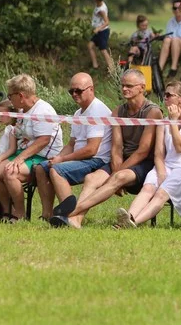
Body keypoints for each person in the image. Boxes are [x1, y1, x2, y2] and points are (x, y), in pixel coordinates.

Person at [50, 69, 162, 228]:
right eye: (123, 85)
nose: (124, 89)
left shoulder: (153, 112)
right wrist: (116, 171)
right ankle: (76, 221)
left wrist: (115, 175)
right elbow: (116, 148)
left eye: (129, 86)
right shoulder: (117, 111)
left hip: (144, 163)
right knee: (91, 179)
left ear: (142, 88)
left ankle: (70, 212)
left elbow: (142, 151)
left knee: (119, 178)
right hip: (122, 161)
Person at [117, 81, 181, 227]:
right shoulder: (163, 121)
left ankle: (132, 222)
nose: (165, 98)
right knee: (148, 188)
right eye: (164, 95)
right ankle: (129, 217)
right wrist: (161, 171)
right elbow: (159, 153)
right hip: (167, 165)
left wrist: (173, 122)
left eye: (169, 95)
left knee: (161, 193)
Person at [33, 73, 112, 220]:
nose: (74, 94)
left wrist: (61, 160)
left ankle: (68, 215)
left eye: (78, 91)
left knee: (57, 170)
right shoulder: (78, 113)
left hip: (97, 160)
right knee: (41, 168)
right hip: (82, 158)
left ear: (91, 89)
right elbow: (71, 144)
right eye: (71, 91)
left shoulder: (97, 111)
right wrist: (57, 158)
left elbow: (91, 149)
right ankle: (47, 214)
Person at [0, 74, 64, 221]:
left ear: (21, 95)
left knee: (10, 172)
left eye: (11, 96)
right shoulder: (23, 111)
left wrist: (19, 158)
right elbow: (16, 133)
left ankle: (20, 215)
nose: (10, 100)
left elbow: (43, 140)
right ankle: (8, 210)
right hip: (26, 152)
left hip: (42, 155)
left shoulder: (43, 110)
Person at [87, 0, 113, 72]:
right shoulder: (100, 2)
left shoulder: (101, 10)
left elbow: (107, 22)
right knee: (90, 46)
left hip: (103, 32)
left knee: (103, 49)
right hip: (99, 32)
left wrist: (98, 28)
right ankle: (95, 65)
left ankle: (112, 68)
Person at [159, 0, 181, 77]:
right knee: (167, 40)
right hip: (173, 45)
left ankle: (173, 67)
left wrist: (176, 39)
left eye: (179, 8)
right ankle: (160, 67)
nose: (177, 10)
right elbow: (169, 36)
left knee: (175, 39)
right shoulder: (170, 22)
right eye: (175, 8)